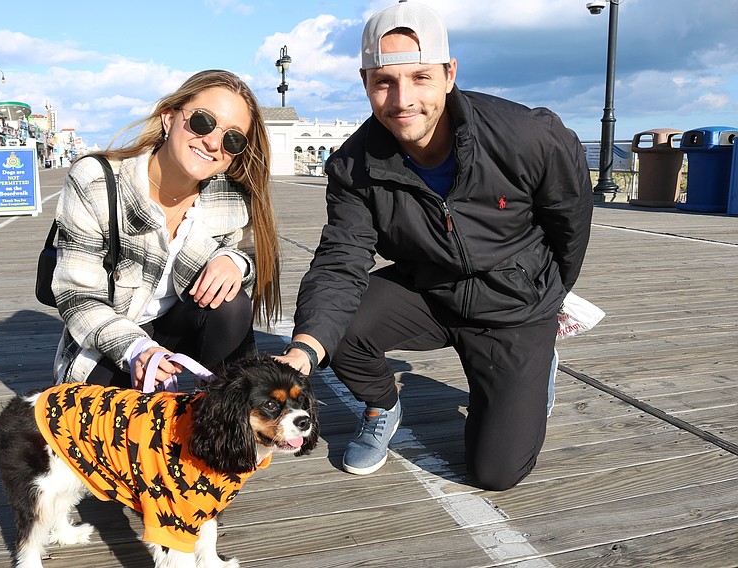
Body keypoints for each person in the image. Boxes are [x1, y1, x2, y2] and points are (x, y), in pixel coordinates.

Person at [278, 1, 593, 491]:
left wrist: (546, 295)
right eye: (384, 81)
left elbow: (569, 222)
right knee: (337, 327)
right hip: (430, 290)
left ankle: (536, 361)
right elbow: (341, 260)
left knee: (496, 472)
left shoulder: (529, 136)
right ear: (365, 82)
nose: (402, 99)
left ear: (449, 74)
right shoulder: (353, 166)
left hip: (514, 306)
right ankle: (383, 407)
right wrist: (304, 349)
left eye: (420, 77)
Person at [52, 69, 281, 390]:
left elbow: (251, 254)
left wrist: (235, 261)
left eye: (232, 138)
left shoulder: (228, 194)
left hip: (181, 326)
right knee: (117, 427)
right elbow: (78, 297)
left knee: (231, 304)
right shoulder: (97, 180)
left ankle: (220, 408)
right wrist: (137, 348)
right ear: (168, 118)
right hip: (111, 338)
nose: (214, 142)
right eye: (203, 121)